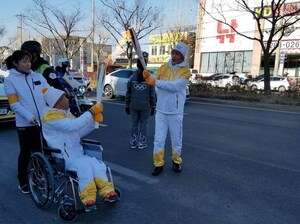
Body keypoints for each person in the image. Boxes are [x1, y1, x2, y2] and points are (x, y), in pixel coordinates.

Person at [41, 86, 119, 212]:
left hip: (78, 154)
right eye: (65, 97)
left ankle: (107, 191)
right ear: (57, 102)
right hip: (64, 158)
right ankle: (88, 198)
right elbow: (72, 126)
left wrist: (92, 123)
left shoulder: (65, 114)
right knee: (85, 167)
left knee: (97, 164)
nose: (68, 99)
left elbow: (77, 132)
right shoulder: (49, 117)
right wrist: (91, 112)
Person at [143, 40, 191, 176]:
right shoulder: (164, 67)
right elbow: (154, 77)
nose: (174, 56)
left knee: (176, 139)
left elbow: (174, 87)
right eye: (173, 53)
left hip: (175, 111)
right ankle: (158, 164)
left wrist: (156, 81)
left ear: (182, 56)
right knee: (158, 139)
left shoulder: (185, 72)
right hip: (161, 110)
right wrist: (148, 76)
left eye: (177, 54)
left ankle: (176, 161)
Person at [4, 50, 50, 193]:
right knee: (26, 152)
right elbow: (14, 104)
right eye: (24, 61)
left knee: (40, 150)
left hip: (43, 121)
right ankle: (23, 180)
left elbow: (49, 92)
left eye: (29, 61)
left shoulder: (37, 77)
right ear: (15, 63)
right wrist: (29, 116)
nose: (28, 64)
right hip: (25, 124)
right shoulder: (10, 80)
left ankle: (38, 176)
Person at [125, 57, 156, 149]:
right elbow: (152, 94)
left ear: (137, 65)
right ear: (145, 65)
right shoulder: (149, 77)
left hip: (133, 105)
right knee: (143, 124)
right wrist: (153, 106)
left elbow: (128, 92)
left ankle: (133, 142)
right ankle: (142, 142)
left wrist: (127, 105)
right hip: (145, 106)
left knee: (134, 123)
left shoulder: (132, 77)